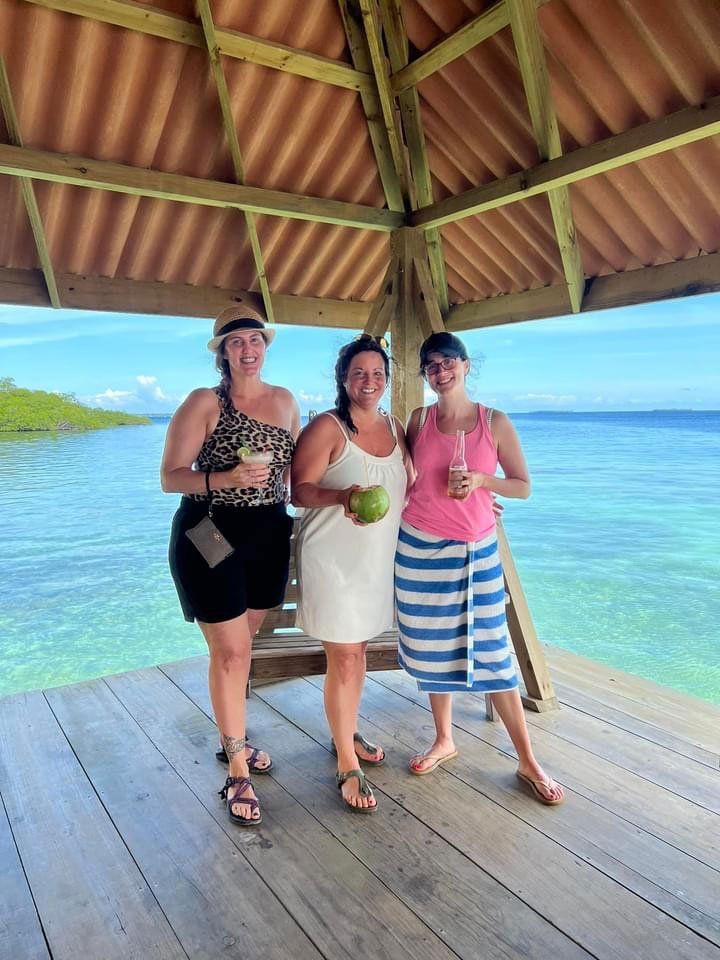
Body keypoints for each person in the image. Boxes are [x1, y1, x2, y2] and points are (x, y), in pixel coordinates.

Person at [395, 331, 564, 805]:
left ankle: (528, 760)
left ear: (467, 366)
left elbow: (523, 486)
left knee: (494, 651)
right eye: (430, 365)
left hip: (476, 550)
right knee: (432, 647)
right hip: (420, 547)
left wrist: (484, 484)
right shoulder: (418, 419)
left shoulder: (495, 422)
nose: (439, 371)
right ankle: (444, 738)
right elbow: (403, 477)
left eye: (448, 361)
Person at [161, 305, 300, 826]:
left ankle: (230, 739)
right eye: (236, 341)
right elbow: (171, 477)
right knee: (231, 653)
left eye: (255, 340)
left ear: (266, 347)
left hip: (268, 533)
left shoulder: (286, 401)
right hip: (209, 531)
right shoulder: (204, 402)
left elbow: (293, 475)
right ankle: (238, 766)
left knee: (244, 647)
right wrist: (223, 480)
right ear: (222, 352)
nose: (247, 349)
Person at [291, 336, 411, 813]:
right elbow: (298, 490)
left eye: (378, 374)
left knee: (357, 655)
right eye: (359, 373)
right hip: (333, 563)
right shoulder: (328, 427)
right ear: (344, 378)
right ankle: (345, 759)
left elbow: (417, 485)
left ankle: (347, 730)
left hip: (374, 565)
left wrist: (482, 497)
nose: (369, 381)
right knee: (344, 659)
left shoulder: (397, 427)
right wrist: (342, 498)